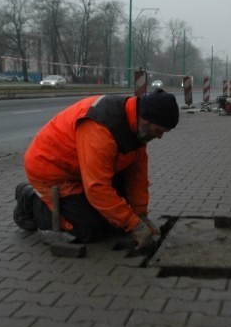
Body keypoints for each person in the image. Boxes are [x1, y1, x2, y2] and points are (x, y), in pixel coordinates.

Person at [13, 89, 180, 249]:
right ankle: (31, 201)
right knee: (86, 228)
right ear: (146, 120)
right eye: (159, 131)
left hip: (84, 170)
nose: (159, 137)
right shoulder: (101, 127)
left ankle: (86, 210)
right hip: (53, 170)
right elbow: (97, 188)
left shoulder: (137, 128)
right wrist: (135, 225)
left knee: (114, 220)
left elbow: (137, 177)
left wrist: (141, 215)